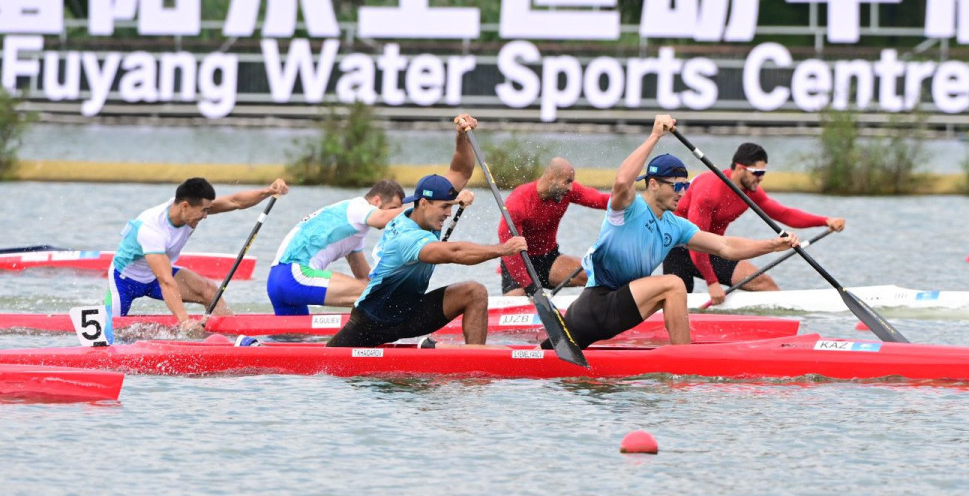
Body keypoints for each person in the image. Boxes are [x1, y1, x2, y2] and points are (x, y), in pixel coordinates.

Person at [550, 114, 800, 350]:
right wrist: (654, 136)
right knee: (674, 284)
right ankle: (685, 360)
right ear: (654, 184)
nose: (682, 192)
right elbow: (622, 182)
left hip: (616, 311)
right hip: (593, 308)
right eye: (677, 186)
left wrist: (772, 245)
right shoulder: (627, 207)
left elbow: (725, 247)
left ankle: (678, 355)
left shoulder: (676, 226)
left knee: (672, 292)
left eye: (686, 185)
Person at [326, 114, 527, 348]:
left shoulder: (430, 208)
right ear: (423, 203)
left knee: (474, 292)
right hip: (372, 321)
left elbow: (460, 171)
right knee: (327, 364)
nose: (448, 214)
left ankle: (475, 366)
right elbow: (455, 252)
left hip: (410, 314)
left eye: (450, 207)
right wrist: (502, 249)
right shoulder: (406, 237)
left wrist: (462, 136)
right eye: (444, 208)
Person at [662, 142, 845, 306]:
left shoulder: (751, 191)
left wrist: (825, 221)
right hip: (678, 248)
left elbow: (784, 213)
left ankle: (775, 334)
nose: (761, 178)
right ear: (740, 169)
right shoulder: (708, 191)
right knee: (677, 306)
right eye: (757, 173)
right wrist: (712, 282)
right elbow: (696, 238)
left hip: (713, 249)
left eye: (763, 173)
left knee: (766, 285)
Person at [105, 177, 288, 333]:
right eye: (204, 211)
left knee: (209, 291)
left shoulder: (190, 208)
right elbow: (166, 281)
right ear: (185, 206)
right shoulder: (152, 229)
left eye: (208, 209)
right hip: (125, 281)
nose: (206, 215)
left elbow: (235, 201)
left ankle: (233, 338)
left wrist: (267, 191)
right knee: (112, 331)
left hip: (155, 276)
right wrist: (184, 320)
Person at [267, 180, 476, 315]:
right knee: (373, 297)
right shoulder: (357, 208)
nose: (398, 216)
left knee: (293, 340)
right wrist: (437, 204)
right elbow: (381, 219)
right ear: (377, 200)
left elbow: (367, 278)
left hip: (277, 281)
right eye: (395, 208)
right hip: (294, 275)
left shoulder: (354, 233)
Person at [498, 157, 609, 297]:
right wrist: (529, 286)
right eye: (567, 182)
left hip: (548, 259)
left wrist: (629, 205)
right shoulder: (518, 202)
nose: (570, 188)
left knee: (593, 275)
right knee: (518, 304)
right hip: (518, 261)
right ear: (551, 178)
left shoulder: (566, 192)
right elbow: (509, 251)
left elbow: (599, 199)